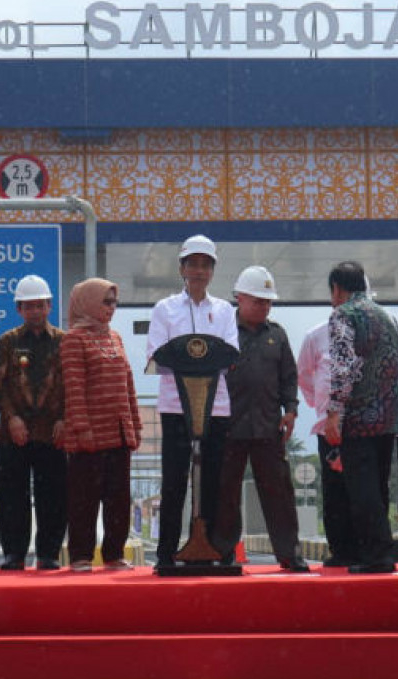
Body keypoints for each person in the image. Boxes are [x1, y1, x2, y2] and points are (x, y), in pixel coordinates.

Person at [146, 235, 238, 571]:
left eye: (205, 264)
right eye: (192, 264)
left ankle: (212, 548)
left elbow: (230, 355)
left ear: (212, 270)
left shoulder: (225, 310)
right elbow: (155, 355)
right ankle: (167, 553)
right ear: (182, 268)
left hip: (216, 407)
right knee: (173, 481)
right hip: (175, 407)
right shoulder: (164, 309)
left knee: (214, 480)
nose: (198, 271)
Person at [212, 266, 308, 572]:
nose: (264, 306)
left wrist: (291, 410)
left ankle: (289, 553)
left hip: (268, 427)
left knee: (278, 493)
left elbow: (288, 377)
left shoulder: (277, 335)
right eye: (258, 301)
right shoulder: (222, 332)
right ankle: (224, 551)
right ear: (239, 298)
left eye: (268, 302)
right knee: (225, 492)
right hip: (229, 427)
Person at [324, 261, 398, 574]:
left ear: (337, 289)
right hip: (390, 415)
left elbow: (343, 367)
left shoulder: (343, 314)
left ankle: (376, 556)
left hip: (359, 416)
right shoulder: (389, 316)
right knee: (379, 486)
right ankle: (380, 551)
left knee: (362, 489)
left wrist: (335, 411)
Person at [59, 278, 142, 571]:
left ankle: (114, 553)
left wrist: (135, 425)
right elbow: (74, 388)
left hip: (119, 432)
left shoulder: (116, 337)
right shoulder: (73, 339)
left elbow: (128, 383)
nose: (111, 308)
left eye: (114, 302)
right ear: (88, 303)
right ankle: (81, 555)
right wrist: (82, 430)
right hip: (89, 435)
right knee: (84, 499)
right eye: (105, 302)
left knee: (119, 499)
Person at [0, 275, 67, 571]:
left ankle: (48, 553)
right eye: (28, 306)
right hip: (14, 433)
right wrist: (11, 418)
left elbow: (72, 385)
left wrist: (64, 419)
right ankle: (14, 554)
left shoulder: (63, 341)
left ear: (49, 306)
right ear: (19, 309)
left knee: (54, 495)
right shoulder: (8, 342)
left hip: (52, 433)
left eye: (40, 305)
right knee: (12, 497)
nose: (35, 311)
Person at [298, 320, 357, 567]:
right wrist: (320, 406)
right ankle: (340, 550)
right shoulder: (316, 335)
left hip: (365, 426)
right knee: (335, 491)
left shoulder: (373, 330)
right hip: (329, 427)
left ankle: (367, 547)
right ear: (335, 294)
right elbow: (303, 375)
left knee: (366, 489)